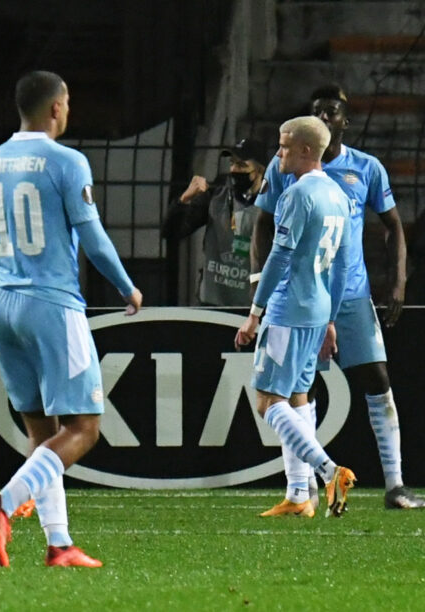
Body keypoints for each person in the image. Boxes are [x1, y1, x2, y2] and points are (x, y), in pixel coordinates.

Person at [0, 71, 143, 568]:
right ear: (56, 107)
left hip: (2, 303)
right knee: (84, 427)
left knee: (41, 433)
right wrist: (125, 285)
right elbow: (92, 236)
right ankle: (2, 504)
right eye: (67, 104)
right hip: (51, 303)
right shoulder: (66, 161)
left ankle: (59, 543)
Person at [251, 85, 424, 511]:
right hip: (306, 297)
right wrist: (260, 285)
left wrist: (397, 280)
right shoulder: (284, 165)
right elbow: (263, 226)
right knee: (297, 393)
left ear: (345, 121)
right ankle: (303, 488)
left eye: (333, 112)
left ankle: (392, 483)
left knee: (372, 380)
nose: (326, 117)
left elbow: (393, 225)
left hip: (344, 296)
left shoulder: (364, 168)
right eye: (318, 112)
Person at [236, 116, 355, 518]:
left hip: (289, 309)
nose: (278, 153)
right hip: (318, 309)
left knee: (268, 401)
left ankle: (328, 470)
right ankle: (299, 495)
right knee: (298, 396)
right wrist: (332, 318)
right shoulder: (340, 196)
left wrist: (255, 312)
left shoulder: (298, 195)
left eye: (285, 146)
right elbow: (341, 267)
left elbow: (280, 255)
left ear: (306, 150)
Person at [161, 139, 268, 305]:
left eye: (241, 165)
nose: (234, 170)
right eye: (232, 164)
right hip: (212, 303)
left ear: (260, 169)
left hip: (251, 308)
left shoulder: (273, 204)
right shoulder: (217, 195)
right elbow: (172, 232)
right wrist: (184, 199)